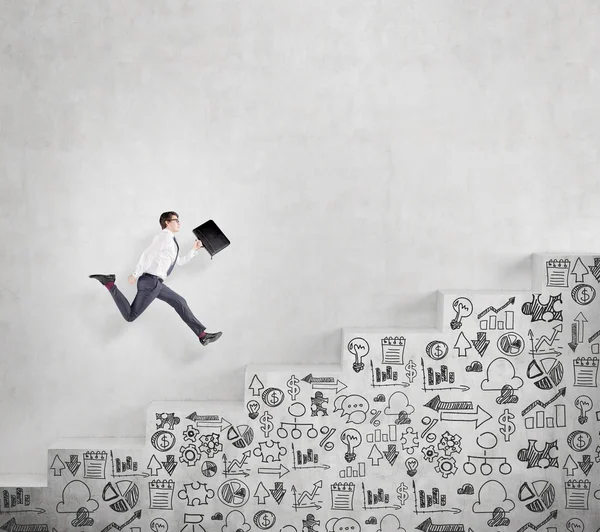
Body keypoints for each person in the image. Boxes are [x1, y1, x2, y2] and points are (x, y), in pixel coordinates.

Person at [89, 211, 222, 346]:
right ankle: (110, 284)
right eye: (176, 220)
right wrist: (135, 274)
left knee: (180, 302)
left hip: (156, 284)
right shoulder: (164, 237)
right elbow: (147, 255)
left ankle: (202, 336)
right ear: (167, 223)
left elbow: (179, 262)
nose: (179, 222)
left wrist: (194, 250)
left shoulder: (171, 241)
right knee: (130, 316)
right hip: (150, 282)